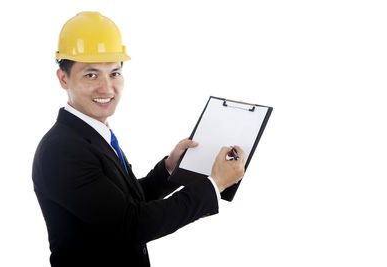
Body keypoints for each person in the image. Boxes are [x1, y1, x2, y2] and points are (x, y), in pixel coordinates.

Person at [32, 11, 246, 267]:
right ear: (63, 78)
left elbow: (122, 204)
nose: (107, 88)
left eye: (114, 73)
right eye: (91, 75)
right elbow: (132, 224)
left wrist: (169, 169)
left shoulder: (91, 135)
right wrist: (214, 184)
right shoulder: (61, 150)